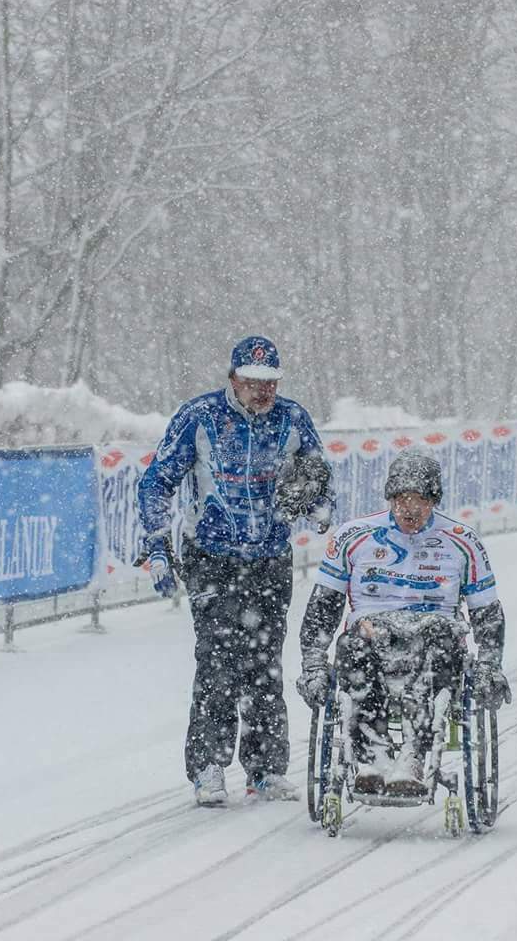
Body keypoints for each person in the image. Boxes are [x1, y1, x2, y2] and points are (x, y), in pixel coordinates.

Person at [136, 335, 333, 806]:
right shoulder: (200, 417)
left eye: (269, 383)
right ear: (233, 379)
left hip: (269, 559)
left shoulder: (292, 419)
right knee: (218, 661)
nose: (261, 391)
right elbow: (156, 481)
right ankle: (208, 766)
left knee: (264, 663)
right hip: (211, 557)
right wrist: (158, 546)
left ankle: (265, 769)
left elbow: (320, 477)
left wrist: (317, 506)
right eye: (251, 382)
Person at [295, 449, 511, 797]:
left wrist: (489, 665)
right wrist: (314, 664)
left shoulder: (462, 542)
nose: (410, 509)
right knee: (352, 646)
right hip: (371, 635)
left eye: (420, 500)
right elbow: (322, 608)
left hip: (433, 636)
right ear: (390, 498)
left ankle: (413, 755)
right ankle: (372, 756)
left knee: (439, 645)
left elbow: (487, 612)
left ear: (434, 500)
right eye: (402, 499)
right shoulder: (353, 537)